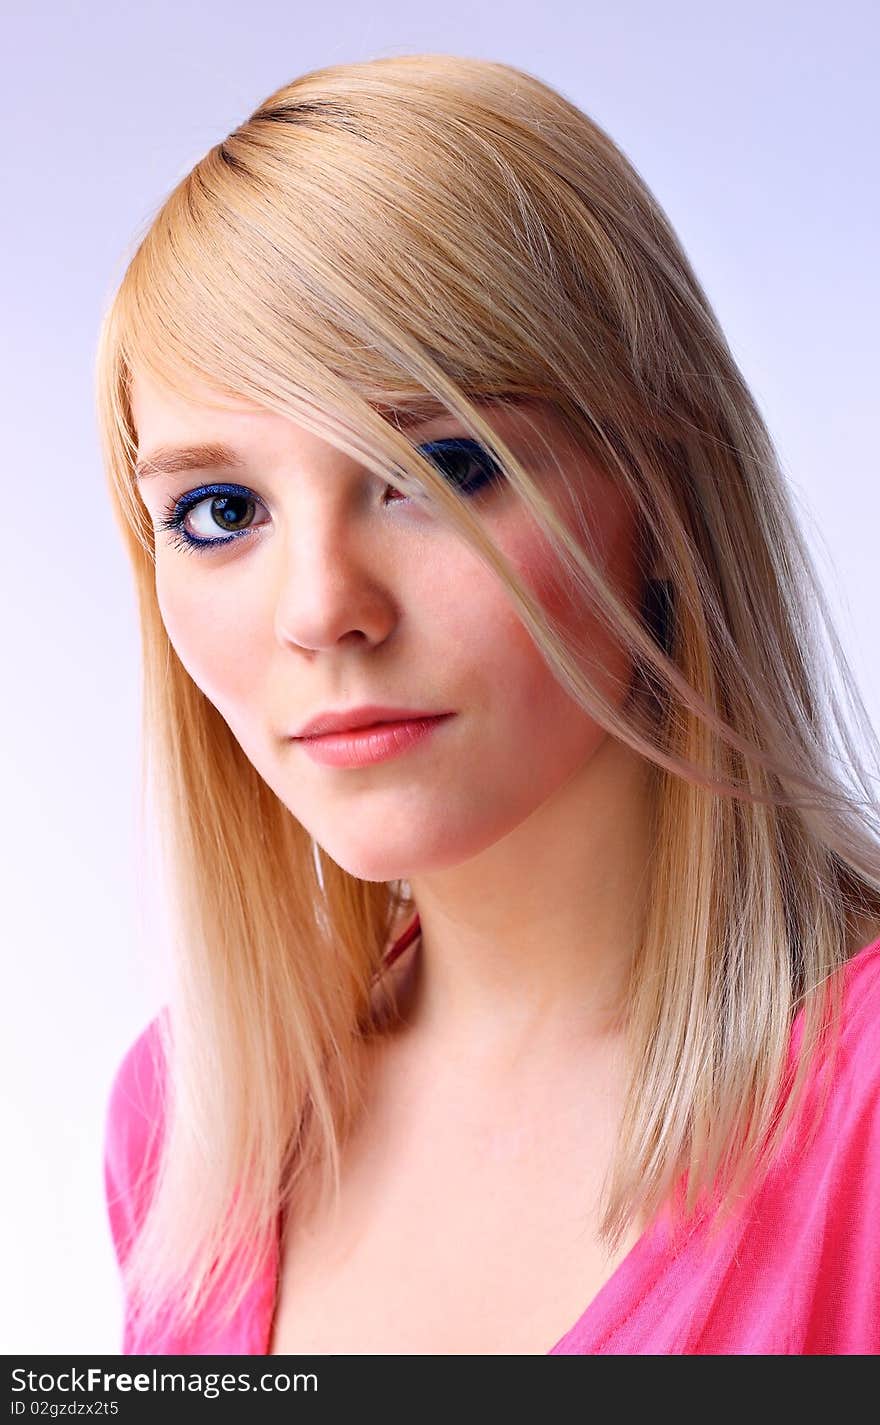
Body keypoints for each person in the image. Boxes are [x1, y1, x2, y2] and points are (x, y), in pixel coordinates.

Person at [97, 53, 880, 1355]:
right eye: (221, 511)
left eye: (439, 466)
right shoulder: (190, 1123)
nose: (322, 607)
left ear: (667, 498)